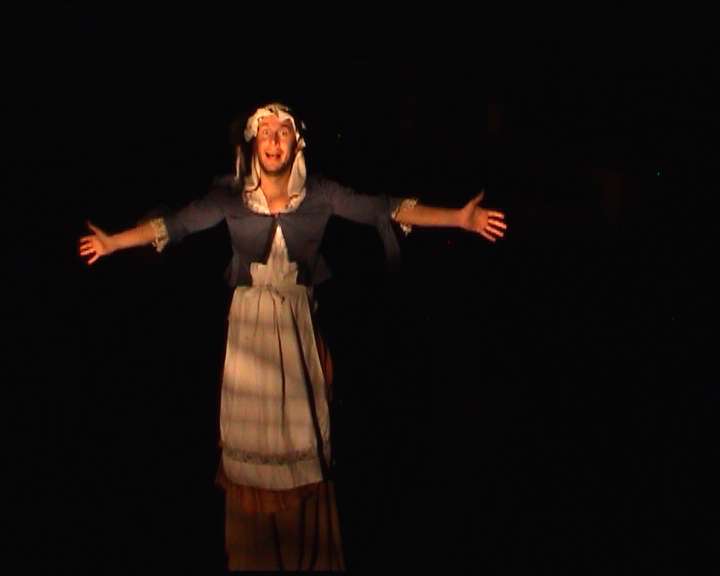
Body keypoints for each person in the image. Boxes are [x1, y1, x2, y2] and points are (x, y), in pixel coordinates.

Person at [78, 102, 507, 571]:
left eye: (283, 131)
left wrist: (459, 219)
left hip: (298, 329)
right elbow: (176, 224)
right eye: (265, 131)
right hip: (249, 336)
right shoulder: (230, 198)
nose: (274, 140)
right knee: (254, 444)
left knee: (302, 440)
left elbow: (382, 208)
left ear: (296, 144)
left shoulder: (319, 194)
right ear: (253, 143)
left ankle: (308, 553)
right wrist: (113, 242)